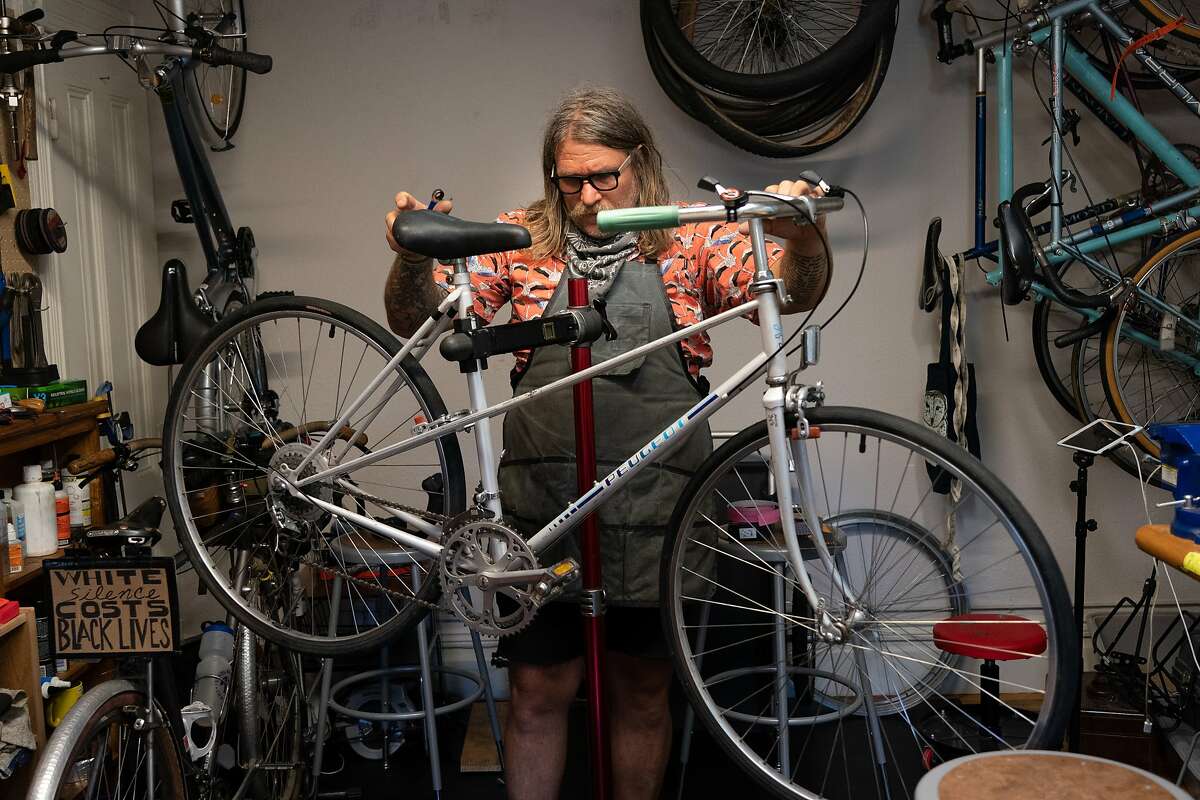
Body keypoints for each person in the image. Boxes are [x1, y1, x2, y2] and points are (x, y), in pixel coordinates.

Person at [383, 87, 832, 800]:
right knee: (536, 691)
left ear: (639, 165)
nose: (587, 196)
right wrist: (411, 256)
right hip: (543, 507)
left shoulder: (687, 237)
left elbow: (791, 288)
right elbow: (420, 314)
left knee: (643, 694)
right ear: (550, 175)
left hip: (656, 510)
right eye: (570, 179)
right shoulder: (519, 239)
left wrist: (804, 236)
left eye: (604, 176)